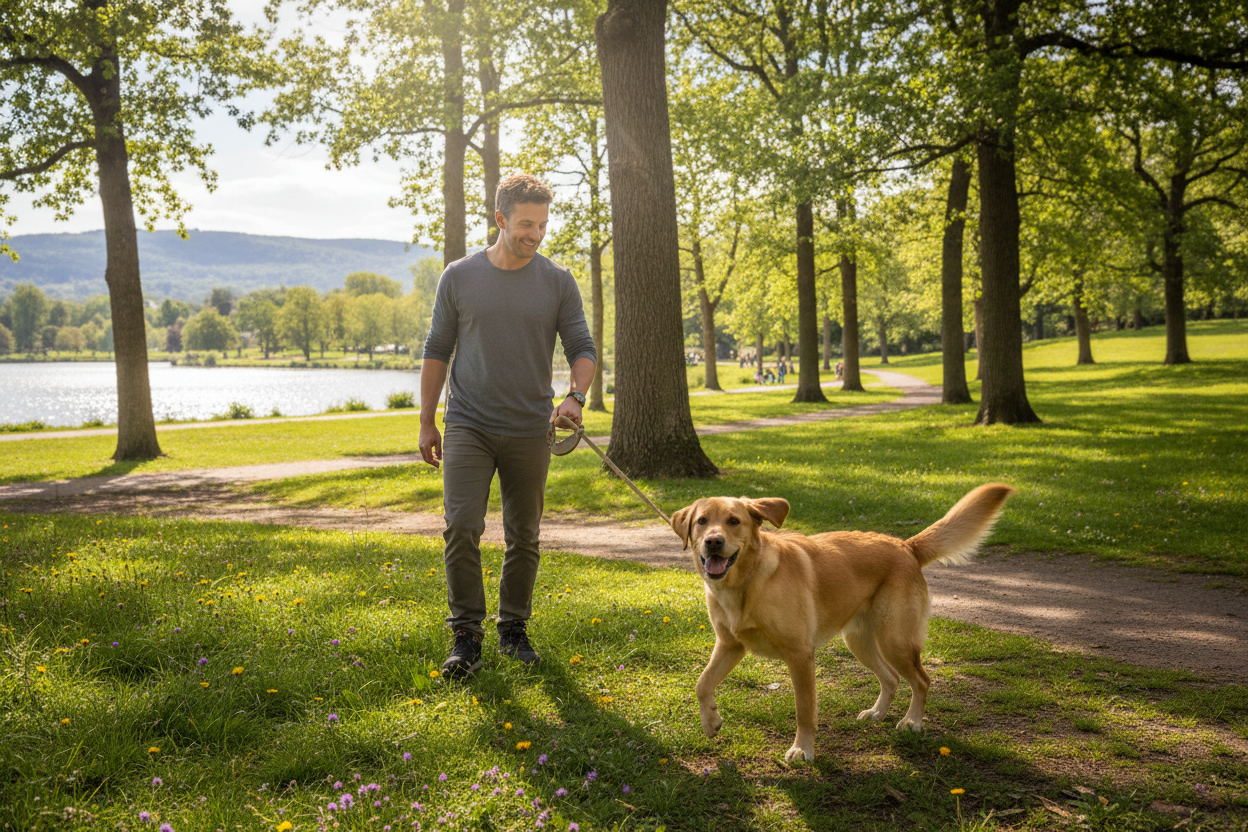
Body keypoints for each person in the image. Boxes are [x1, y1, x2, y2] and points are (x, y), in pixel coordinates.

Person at [419, 173, 597, 679]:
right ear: (499, 219)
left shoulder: (558, 281)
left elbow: (582, 349)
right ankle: (466, 636)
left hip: (530, 427)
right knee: (462, 527)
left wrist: (575, 397)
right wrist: (428, 420)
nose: (535, 234)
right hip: (468, 424)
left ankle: (514, 629)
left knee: (524, 534)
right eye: (525, 224)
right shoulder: (458, 276)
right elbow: (437, 350)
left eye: (542, 224)